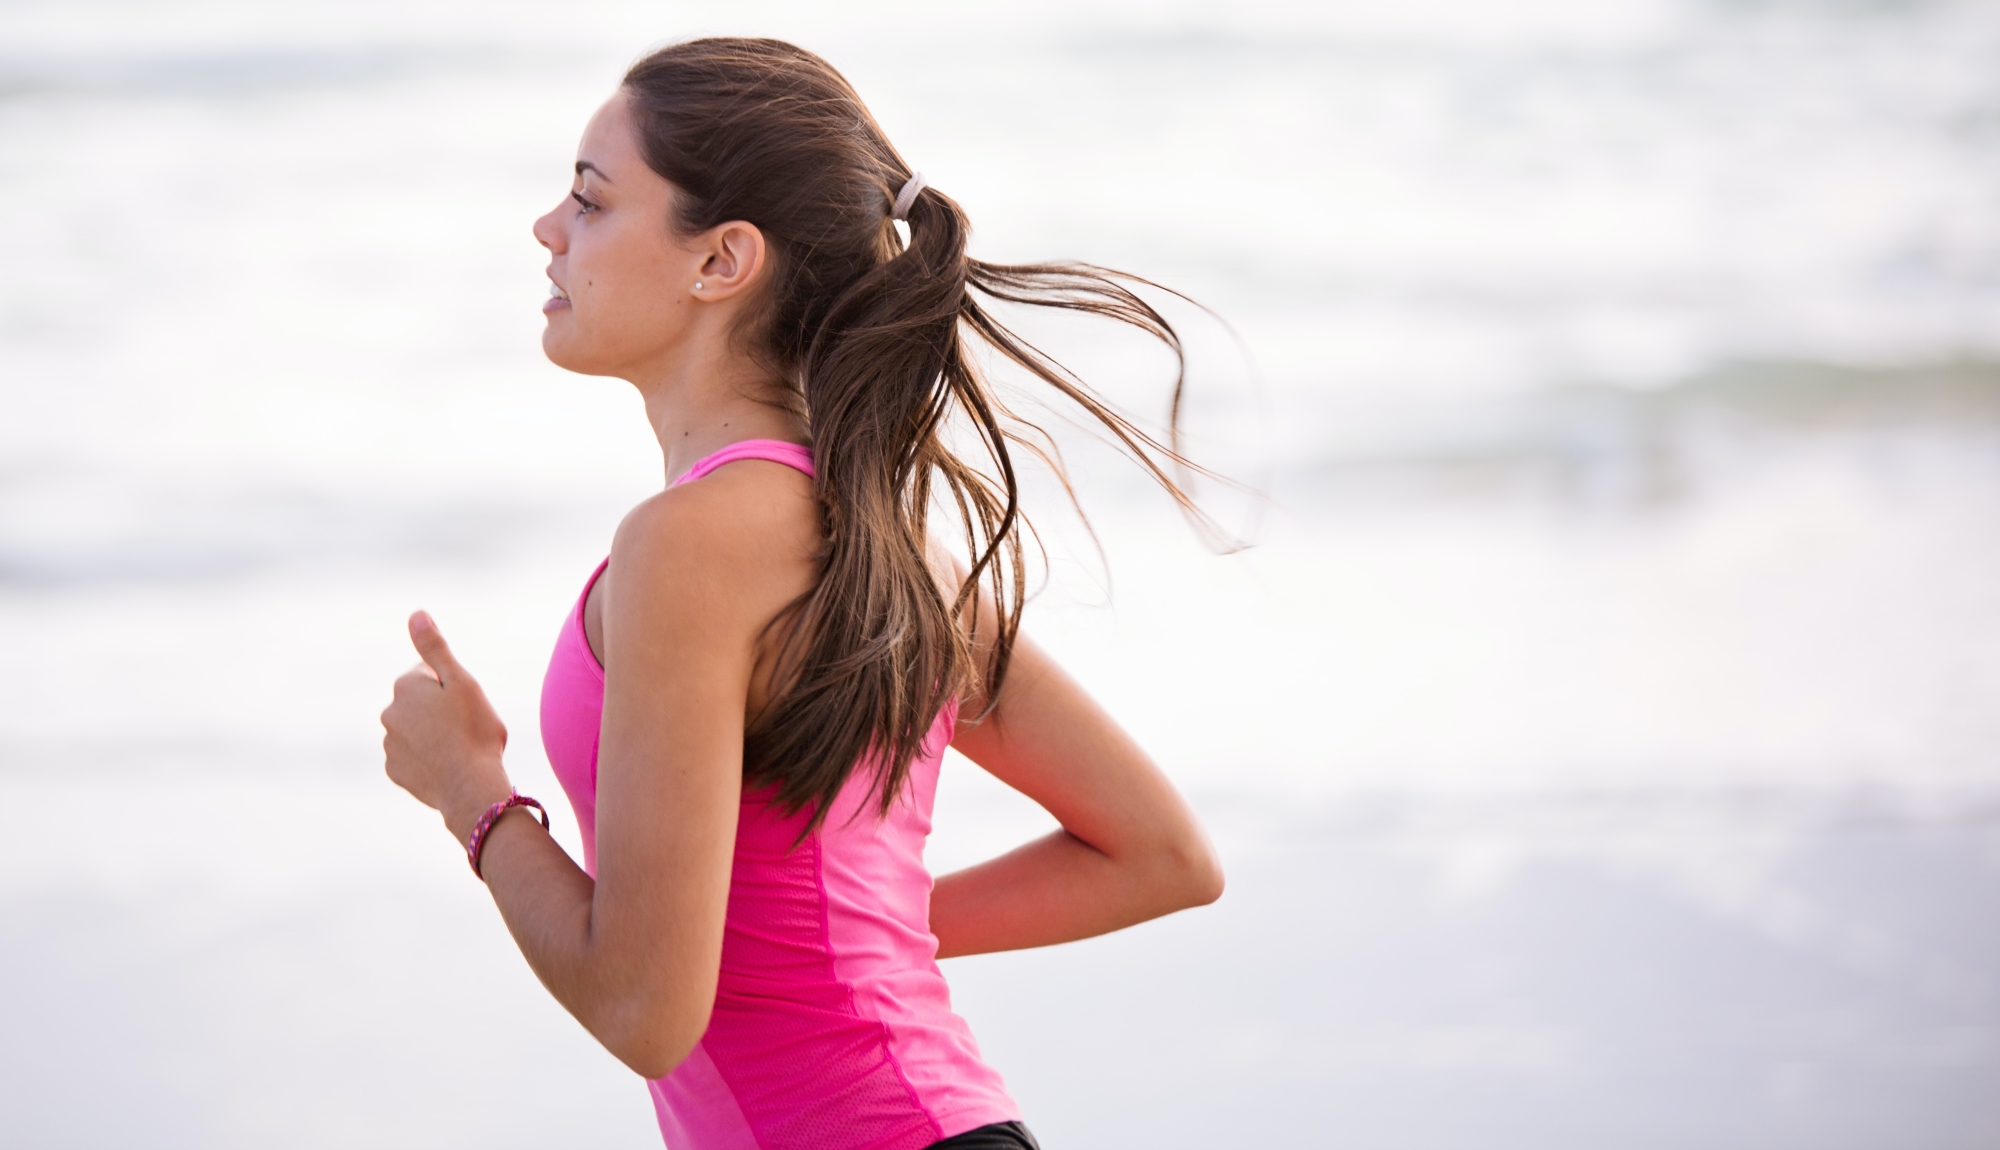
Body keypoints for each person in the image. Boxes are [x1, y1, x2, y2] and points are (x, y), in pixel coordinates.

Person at [380, 36, 1224, 1150]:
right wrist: (843, 944)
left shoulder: (687, 545)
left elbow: (643, 1012)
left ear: (721, 260)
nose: (547, 229)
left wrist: (471, 794)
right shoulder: (871, 534)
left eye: (590, 200)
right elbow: (1157, 855)